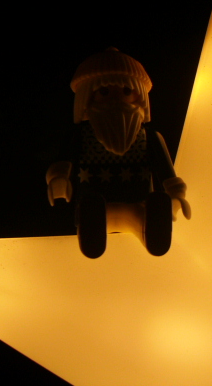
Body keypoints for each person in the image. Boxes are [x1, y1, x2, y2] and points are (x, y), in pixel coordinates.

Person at [46, 47, 190, 258]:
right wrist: (58, 178)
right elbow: (63, 162)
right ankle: (92, 228)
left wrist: (176, 195)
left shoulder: (148, 137)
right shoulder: (81, 135)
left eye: (126, 91)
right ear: (87, 95)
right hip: (93, 202)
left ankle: (151, 226)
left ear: (139, 95)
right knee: (93, 211)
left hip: (139, 202)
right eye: (104, 91)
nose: (115, 98)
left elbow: (165, 170)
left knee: (143, 216)